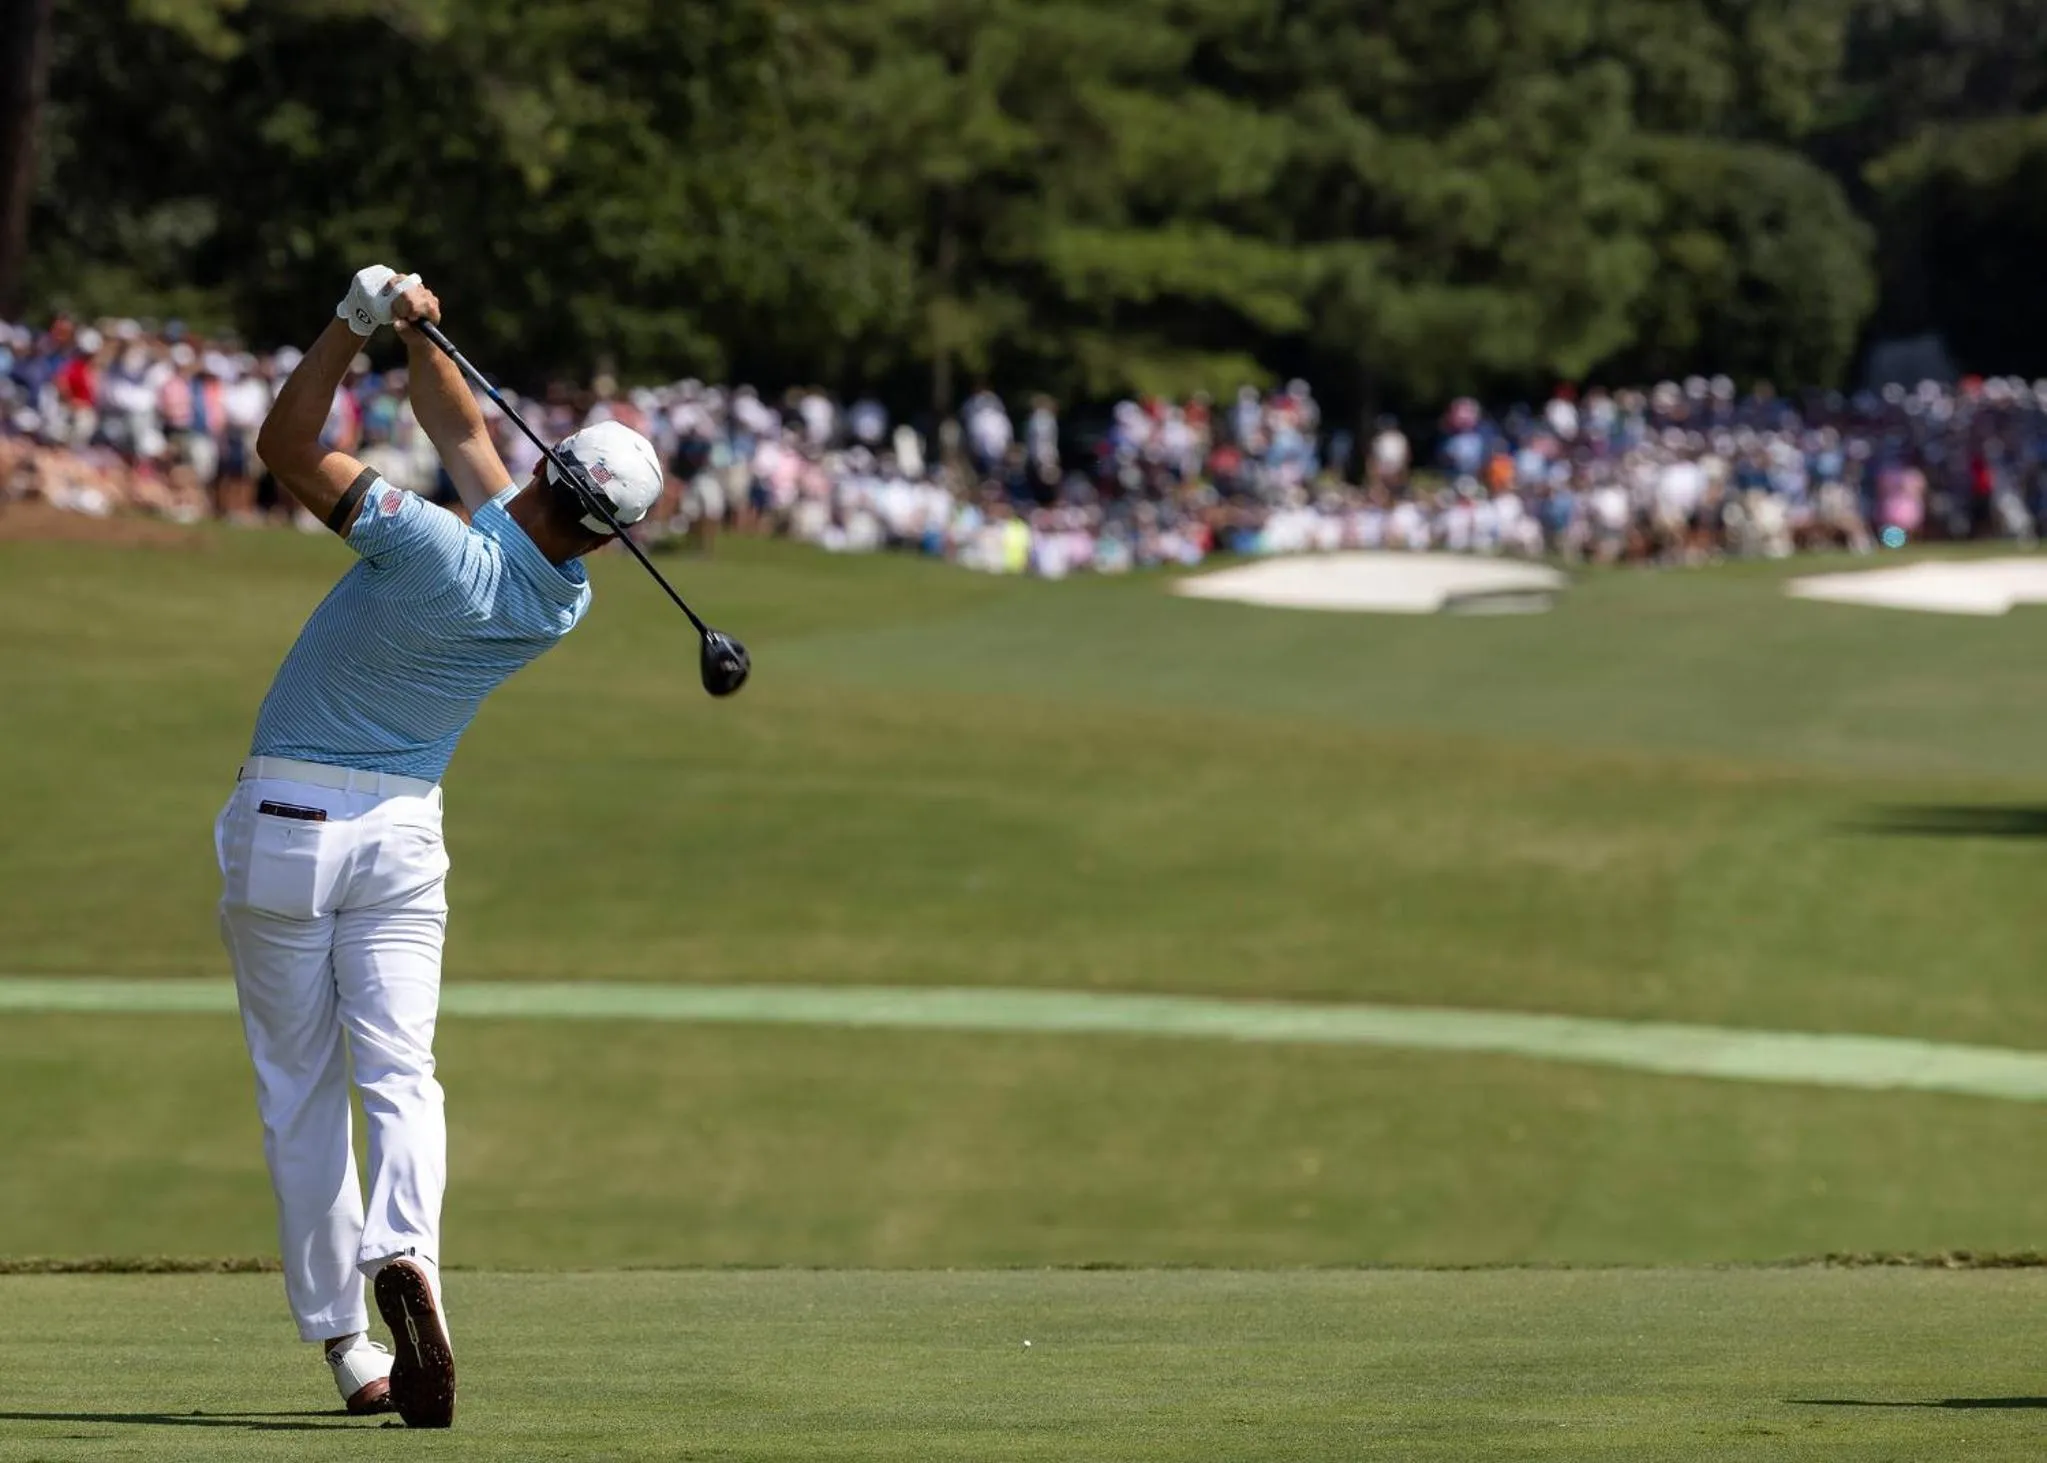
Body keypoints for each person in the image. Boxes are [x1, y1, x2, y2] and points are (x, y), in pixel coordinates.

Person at [217, 265, 663, 1427]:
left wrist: (352, 324)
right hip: (406, 835)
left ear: (550, 471)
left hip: (290, 823)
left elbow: (285, 443)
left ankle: (346, 1345)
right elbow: (465, 429)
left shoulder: (423, 542)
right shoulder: (558, 596)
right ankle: (405, 1246)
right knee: (401, 1072)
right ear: (609, 536)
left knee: (301, 1090)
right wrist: (429, 340)